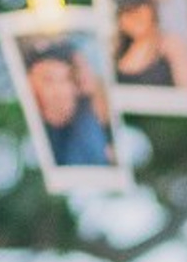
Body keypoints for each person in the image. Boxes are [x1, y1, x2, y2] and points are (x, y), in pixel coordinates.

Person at [19, 40, 115, 169]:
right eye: (48, 80)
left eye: (65, 79)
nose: (60, 91)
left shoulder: (88, 121)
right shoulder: (32, 142)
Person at [109, 0, 187, 94]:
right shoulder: (115, 52)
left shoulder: (171, 46)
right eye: (125, 11)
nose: (133, 15)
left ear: (151, 8)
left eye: (136, 7)